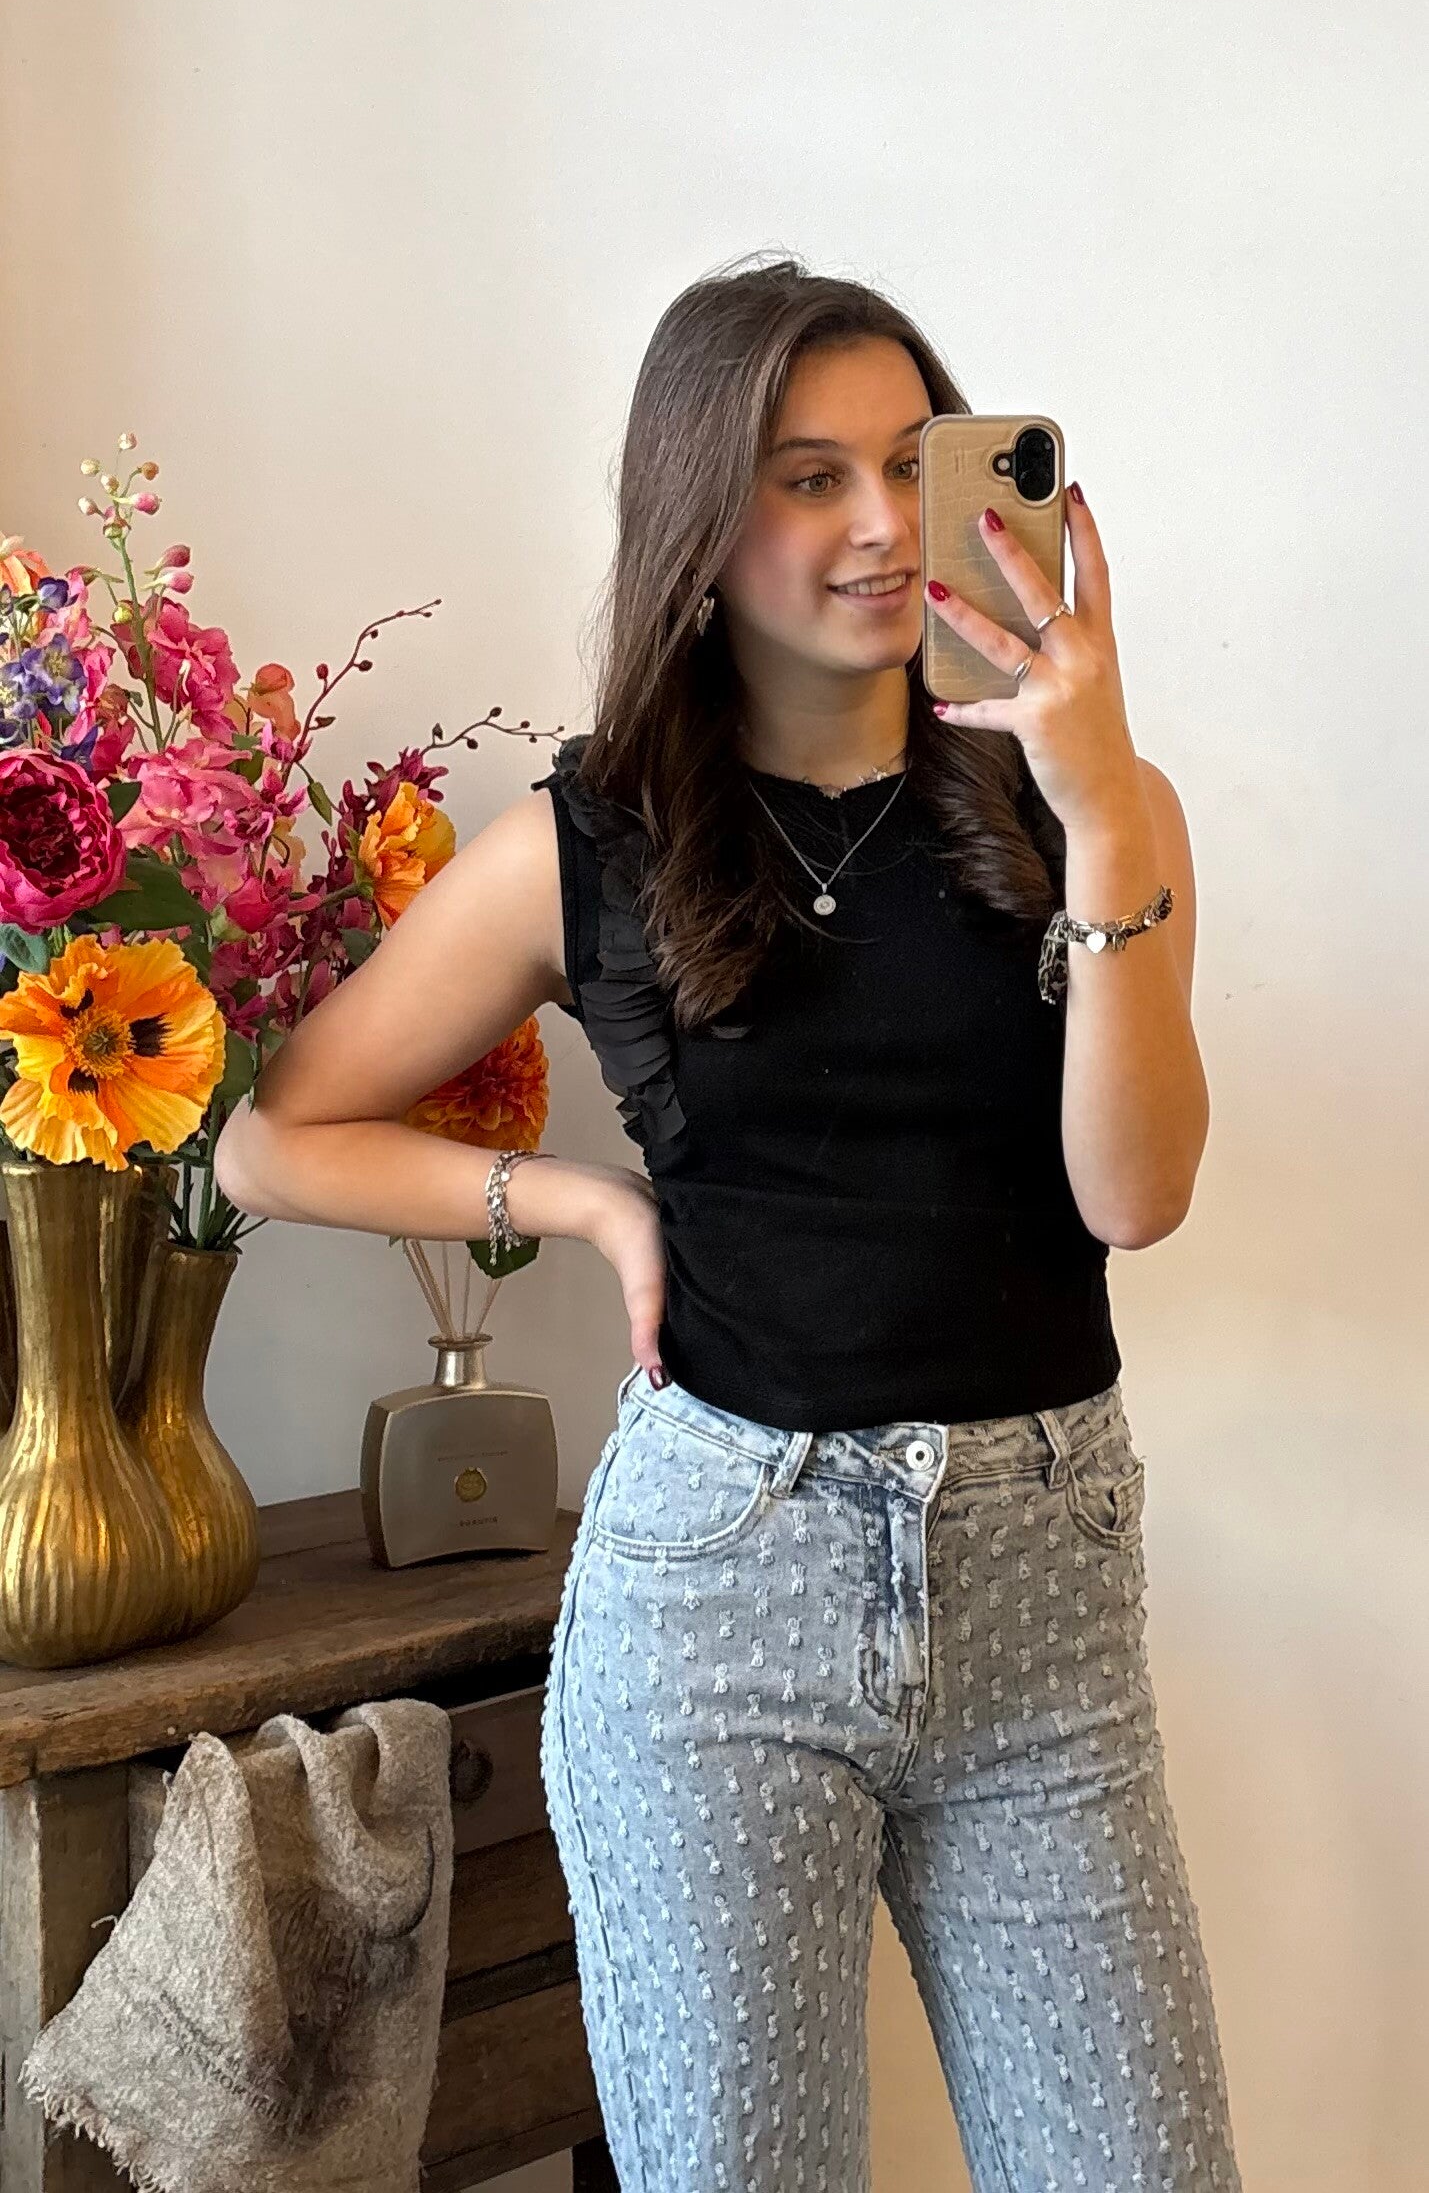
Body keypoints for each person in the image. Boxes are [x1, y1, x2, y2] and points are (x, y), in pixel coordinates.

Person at [216, 254, 1243, 2193]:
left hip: (1042, 1593)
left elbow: (1136, 1194)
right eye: (806, 476)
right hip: (720, 1594)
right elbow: (278, 1139)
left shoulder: (1093, 809)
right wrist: (579, 1205)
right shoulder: (586, 842)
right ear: (698, 515)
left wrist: (1098, 807)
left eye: (909, 465)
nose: (878, 526)